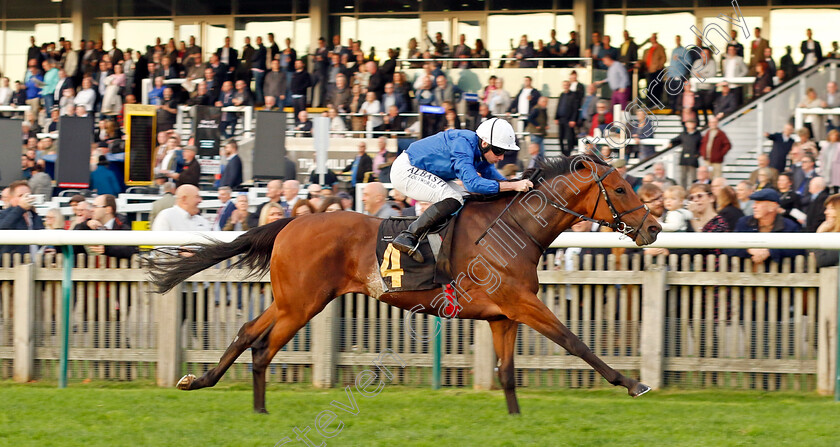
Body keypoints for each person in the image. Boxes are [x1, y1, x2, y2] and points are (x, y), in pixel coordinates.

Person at [389, 118, 531, 262]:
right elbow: (472, 184)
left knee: (465, 199)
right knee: (454, 198)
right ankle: (408, 236)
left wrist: (517, 186)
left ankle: (447, 242)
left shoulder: (481, 153)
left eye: (504, 152)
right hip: (406, 170)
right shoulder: (462, 144)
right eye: (498, 151)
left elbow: (497, 180)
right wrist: (513, 186)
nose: (501, 157)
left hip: (424, 171)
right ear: (485, 143)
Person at [725, 189, 805, 264]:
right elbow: (728, 247)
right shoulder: (743, 223)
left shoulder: (789, 226)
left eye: (758, 203)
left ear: (772, 206)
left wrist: (771, 252)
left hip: (778, 277)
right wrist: (748, 250)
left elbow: (798, 250)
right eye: (754, 202)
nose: (753, 206)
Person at [75, 194, 137, 260]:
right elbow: (71, 242)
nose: (92, 210)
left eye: (95, 206)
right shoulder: (88, 224)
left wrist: (106, 249)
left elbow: (130, 250)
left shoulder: (122, 225)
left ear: (108, 210)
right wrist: (85, 225)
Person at [0, 180, 43, 256]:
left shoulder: (35, 217)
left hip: (35, 264)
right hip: (12, 264)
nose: (25, 198)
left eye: (28, 195)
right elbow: (3, 227)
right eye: (20, 196)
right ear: (11, 198)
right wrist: (20, 208)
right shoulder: (3, 214)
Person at [667, 119, 702, 188]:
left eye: (692, 122)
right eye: (689, 123)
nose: (690, 124)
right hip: (684, 158)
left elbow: (701, 145)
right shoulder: (683, 134)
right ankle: (683, 191)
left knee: (693, 177)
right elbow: (675, 140)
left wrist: (697, 154)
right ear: (686, 125)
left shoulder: (698, 135)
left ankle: (693, 190)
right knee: (683, 177)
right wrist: (671, 142)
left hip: (693, 158)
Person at [554, 81, 579, 157]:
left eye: (567, 85)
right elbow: (558, 106)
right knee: (561, 137)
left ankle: (569, 152)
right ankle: (563, 153)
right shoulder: (562, 95)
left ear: (569, 86)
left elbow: (575, 109)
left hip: (569, 120)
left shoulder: (573, 95)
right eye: (564, 85)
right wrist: (556, 117)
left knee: (569, 137)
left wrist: (573, 119)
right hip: (561, 119)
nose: (565, 86)